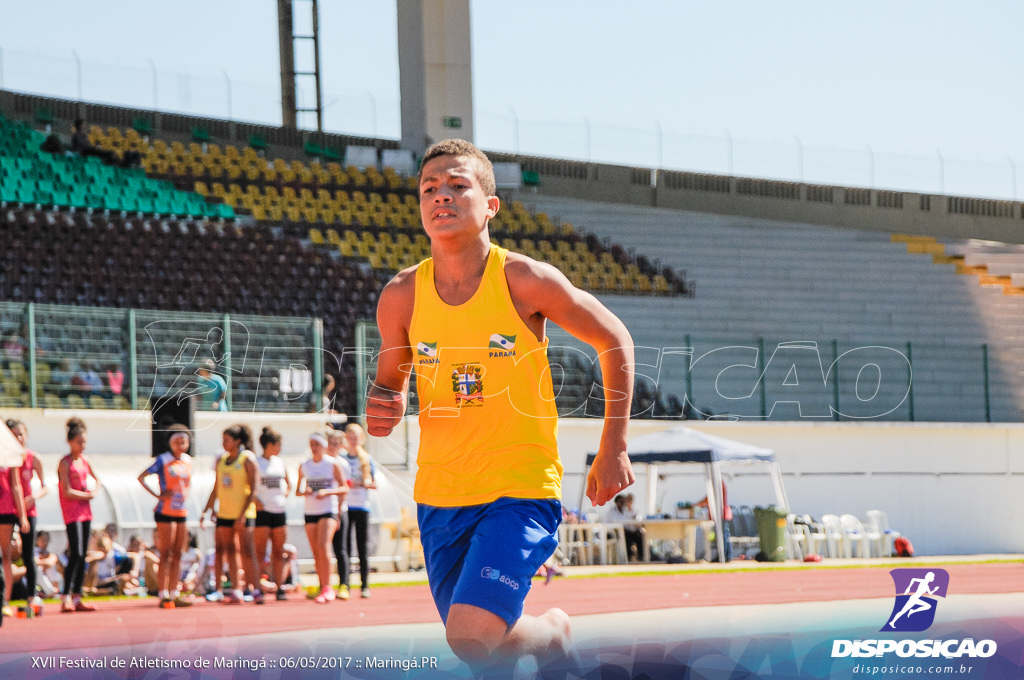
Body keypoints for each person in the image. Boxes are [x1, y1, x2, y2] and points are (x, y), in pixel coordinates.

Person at [365, 139, 635, 672]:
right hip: (440, 494)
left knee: (470, 634)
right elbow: (388, 383)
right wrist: (383, 402)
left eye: (457, 185)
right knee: (481, 641)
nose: (441, 195)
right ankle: (553, 635)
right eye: (429, 188)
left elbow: (614, 339)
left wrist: (613, 449)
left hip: (520, 486)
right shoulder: (401, 295)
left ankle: (549, 636)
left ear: (490, 205)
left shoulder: (524, 279)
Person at [200, 424, 263, 604]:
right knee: (228, 551)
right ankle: (236, 589)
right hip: (224, 514)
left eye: (227, 440)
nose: (224, 443)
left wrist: (242, 514)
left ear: (237, 441)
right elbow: (216, 488)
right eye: (223, 440)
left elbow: (253, 489)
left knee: (247, 551)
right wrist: (207, 510)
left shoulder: (247, 459)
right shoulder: (221, 460)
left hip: (243, 514)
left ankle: (255, 589)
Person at [138, 423, 193, 608]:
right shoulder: (164, 459)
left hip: (181, 510)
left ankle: (174, 591)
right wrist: (158, 495)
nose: (180, 445)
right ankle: (163, 593)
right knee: (166, 552)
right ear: (171, 443)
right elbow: (142, 476)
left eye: (183, 441)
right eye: (177, 441)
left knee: (178, 552)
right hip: (165, 511)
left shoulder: (188, 461)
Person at [296, 432, 347, 604]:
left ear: (324, 445)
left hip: (328, 509)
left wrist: (327, 492)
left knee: (323, 546)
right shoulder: (304, 465)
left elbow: (344, 488)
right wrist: (306, 492)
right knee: (316, 550)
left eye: (316, 444)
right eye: (311, 444)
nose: (313, 447)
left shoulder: (332, 464)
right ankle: (322, 585)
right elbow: (298, 491)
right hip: (310, 511)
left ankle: (328, 588)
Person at [57, 417, 100, 612]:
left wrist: (94, 491)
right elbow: (66, 490)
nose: (83, 446)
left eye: (85, 442)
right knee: (76, 553)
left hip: (85, 512)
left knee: (83, 555)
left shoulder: (85, 461)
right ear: (70, 441)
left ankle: (77, 596)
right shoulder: (64, 463)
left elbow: (97, 479)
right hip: (72, 512)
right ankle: (65, 595)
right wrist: (86, 495)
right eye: (79, 442)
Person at [7, 419, 47, 607]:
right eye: (14, 434)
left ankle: (32, 595)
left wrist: (33, 497)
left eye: (21, 434)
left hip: (28, 511)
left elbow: (45, 487)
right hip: (8, 509)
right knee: (5, 553)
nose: (19, 438)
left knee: (29, 553)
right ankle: (6, 597)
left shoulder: (34, 458)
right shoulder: (6, 459)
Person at [253, 426, 291, 601]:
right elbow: (250, 487)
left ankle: (279, 587)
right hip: (263, 512)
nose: (280, 448)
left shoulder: (279, 462)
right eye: (279, 444)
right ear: (270, 444)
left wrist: (284, 494)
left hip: (279, 511)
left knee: (278, 551)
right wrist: (257, 501)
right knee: (260, 551)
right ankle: (258, 587)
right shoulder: (256, 463)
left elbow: (288, 483)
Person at [343, 422, 377, 598]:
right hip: (346, 507)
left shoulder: (367, 459)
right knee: (345, 548)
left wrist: (365, 483)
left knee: (363, 547)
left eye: (356, 438)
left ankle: (365, 585)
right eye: (350, 438)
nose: (353, 441)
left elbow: (374, 483)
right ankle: (346, 585)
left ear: (361, 439)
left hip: (362, 506)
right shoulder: (342, 459)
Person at [0, 443, 29, 619]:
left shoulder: (9, 455)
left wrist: (23, 515)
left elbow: (16, 485)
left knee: (5, 555)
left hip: (6, 510)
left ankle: (5, 601)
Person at [325, 428, 351, 600]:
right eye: (330, 443)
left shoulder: (342, 464)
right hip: (325, 511)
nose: (333, 447)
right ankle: (325, 585)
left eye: (336, 444)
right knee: (324, 548)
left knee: (340, 549)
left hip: (339, 511)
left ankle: (344, 585)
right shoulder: (323, 462)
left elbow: (344, 490)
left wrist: (339, 514)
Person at [695, 481, 733, 562]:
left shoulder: (718, 484)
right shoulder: (718, 484)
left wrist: (697, 504)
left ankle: (725, 556)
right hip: (720, 513)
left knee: (723, 535)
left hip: (722, 513)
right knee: (723, 535)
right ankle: (725, 555)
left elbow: (710, 498)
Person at [603, 494, 645, 563]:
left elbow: (632, 520)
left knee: (639, 535)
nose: (622, 503)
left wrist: (629, 507)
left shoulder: (626, 511)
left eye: (623, 501)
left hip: (627, 531)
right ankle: (628, 557)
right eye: (621, 501)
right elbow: (611, 523)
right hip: (615, 533)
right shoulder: (611, 512)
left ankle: (641, 556)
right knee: (626, 536)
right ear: (616, 502)